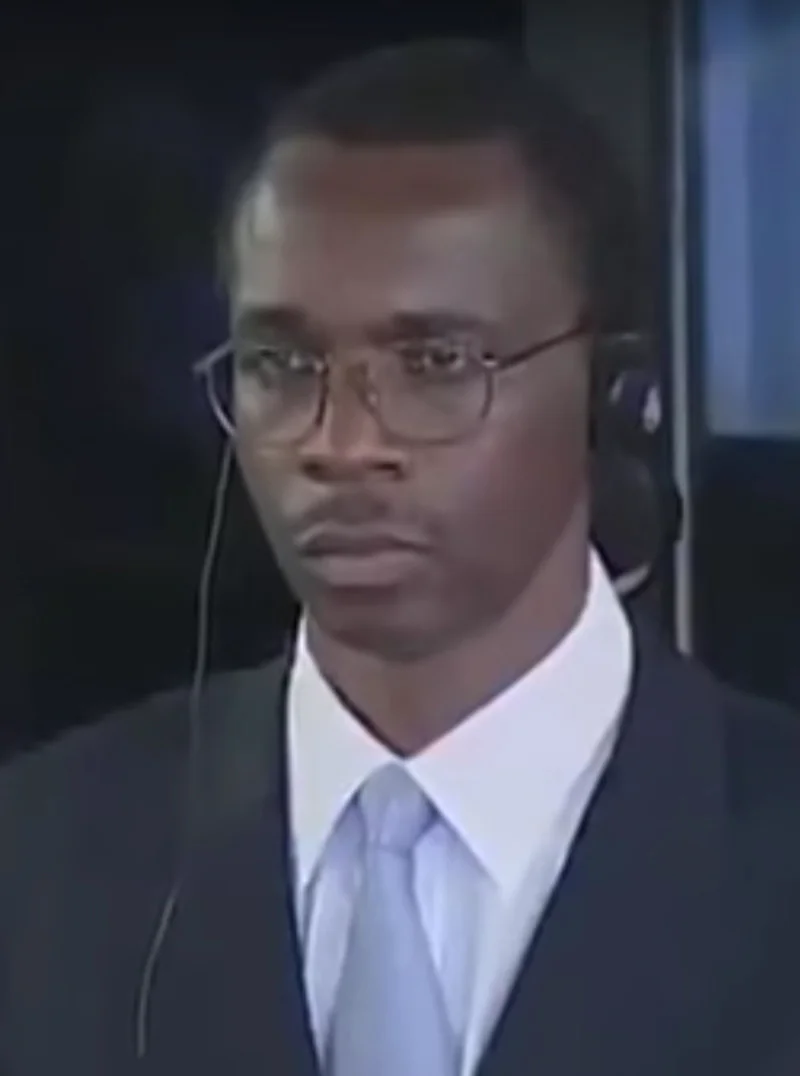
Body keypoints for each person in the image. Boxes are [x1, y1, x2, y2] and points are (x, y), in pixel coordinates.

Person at [2, 40, 800, 1076]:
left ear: (614, 399)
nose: (338, 443)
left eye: (435, 363)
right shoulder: (39, 859)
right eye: (281, 363)